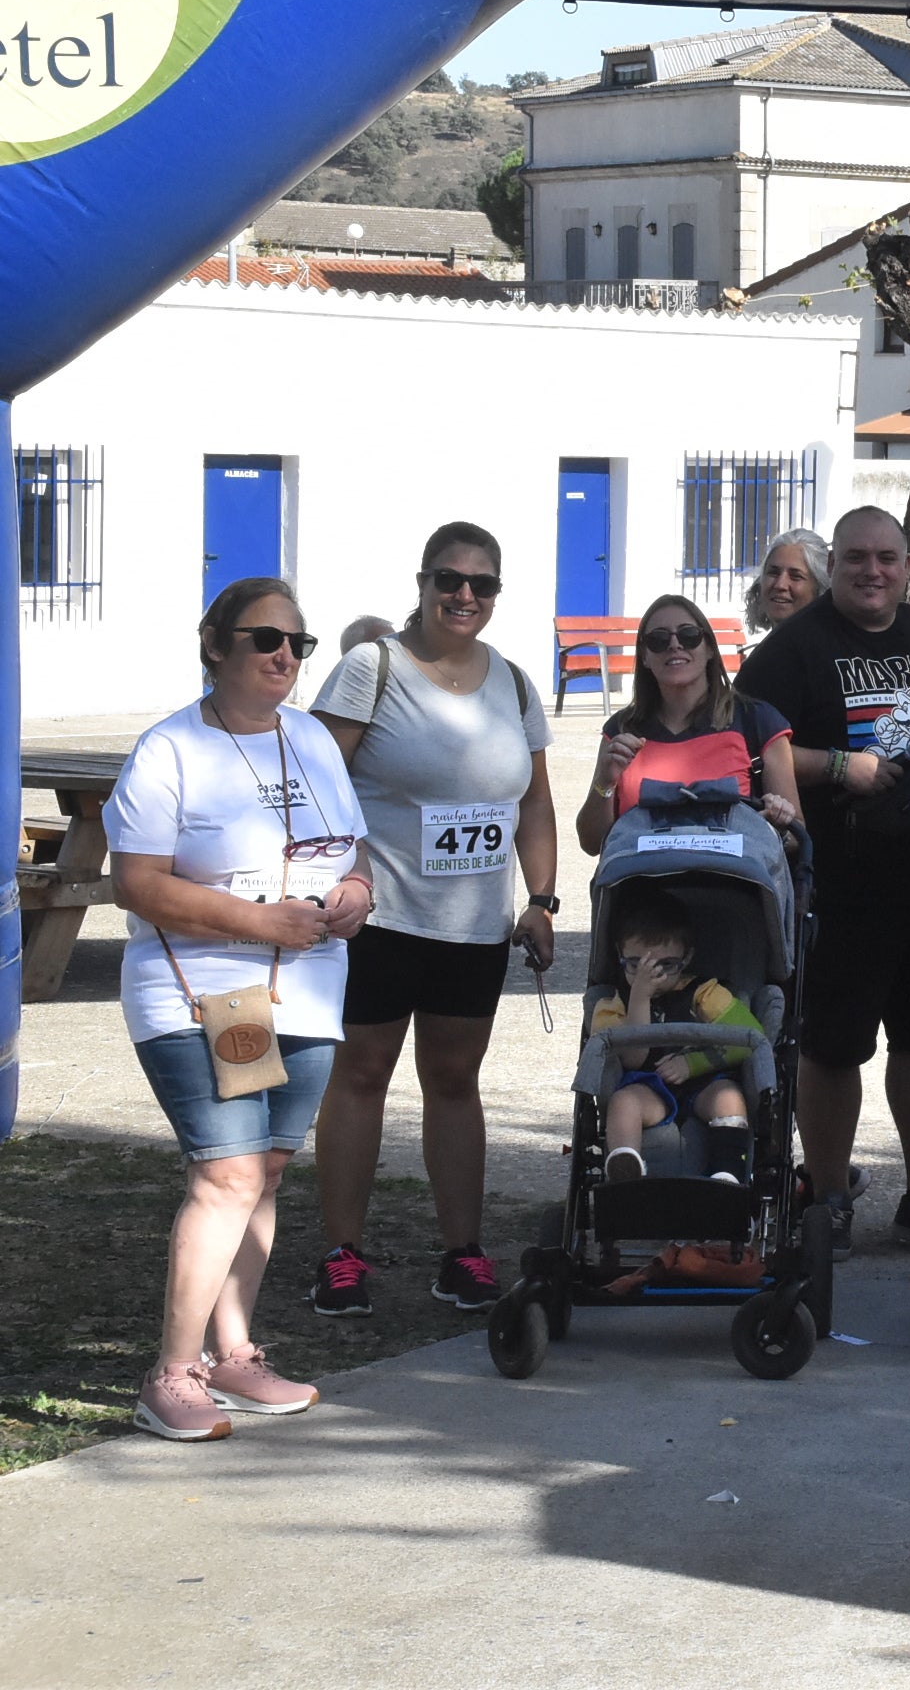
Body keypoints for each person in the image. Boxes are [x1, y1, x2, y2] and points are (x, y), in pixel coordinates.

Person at [108, 580, 372, 1439]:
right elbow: (137, 883)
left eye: (299, 643)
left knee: (264, 1172)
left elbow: (352, 846)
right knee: (225, 1174)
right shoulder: (171, 750)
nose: (284, 657)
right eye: (264, 639)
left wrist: (357, 890)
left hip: (304, 986)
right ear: (214, 644)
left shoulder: (311, 740)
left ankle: (234, 1355)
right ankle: (171, 1375)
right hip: (207, 990)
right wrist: (261, 920)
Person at [307, 522, 557, 1318]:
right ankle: (343, 1253)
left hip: (474, 926)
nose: (464, 596)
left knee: (455, 1082)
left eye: (482, 585)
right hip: (382, 918)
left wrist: (542, 899)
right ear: (421, 583)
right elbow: (315, 778)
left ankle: (463, 1253)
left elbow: (535, 804)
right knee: (362, 1076)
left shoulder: (514, 684)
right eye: (450, 580)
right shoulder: (371, 669)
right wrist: (343, 873)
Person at [736, 507, 910, 1257]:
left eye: (887, 558)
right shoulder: (790, 651)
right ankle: (830, 1196)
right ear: (833, 565)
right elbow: (748, 748)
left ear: (907, 564)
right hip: (839, 882)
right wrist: (841, 766)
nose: (873, 572)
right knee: (834, 1048)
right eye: (856, 559)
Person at [577, 594, 800, 854]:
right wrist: (605, 782)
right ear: (645, 657)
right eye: (658, 639)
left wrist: (780, 823)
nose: (675, 645)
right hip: (643, 888)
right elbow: (592, 843)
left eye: (689, 635)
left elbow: (796, 836)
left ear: (708, 648)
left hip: (732, 888)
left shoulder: (757, 721)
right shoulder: (622, 730)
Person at [590, 890, 761, 1186]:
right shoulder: (614, 1005)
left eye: (666, 966)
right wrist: (639, 997)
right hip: (646, 1085)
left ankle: (727, 1176)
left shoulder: (703, 993)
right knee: (622, 1102)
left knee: (730, 1098)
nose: (653, 977)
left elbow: (751, 1038)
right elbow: (632, 1058)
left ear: (687, 957)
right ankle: (625, 1164)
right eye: (637, 966)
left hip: (705, 1080)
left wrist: (693, 1063)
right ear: (620, 957)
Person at [743, 527, 829, 640]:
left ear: (819, 588)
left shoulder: (828, 653)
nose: (780, 585)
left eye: (796, 576)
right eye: (773, 573)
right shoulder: (767, 652)